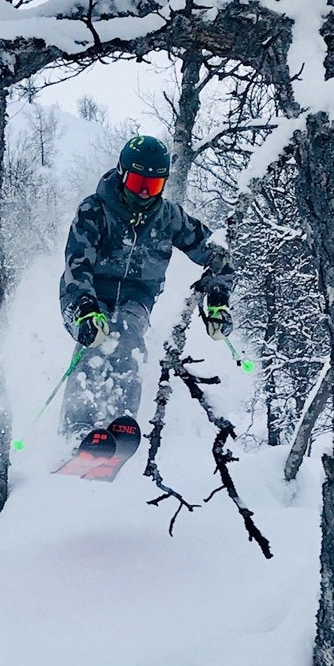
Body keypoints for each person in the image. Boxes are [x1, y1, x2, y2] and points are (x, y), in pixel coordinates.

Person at [59, 134, 234, 438]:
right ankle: (77, 428)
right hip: (85, 296)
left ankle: (118, 424)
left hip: (136, 299)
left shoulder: (168, 217)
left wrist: (218, 298)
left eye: (152, 186)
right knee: (96, 339)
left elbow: (216, 252)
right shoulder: (95, 210)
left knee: (128, 336)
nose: (143, 194)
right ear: (122, 173)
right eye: (137, 183)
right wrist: (85, 307)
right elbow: (78, 262)